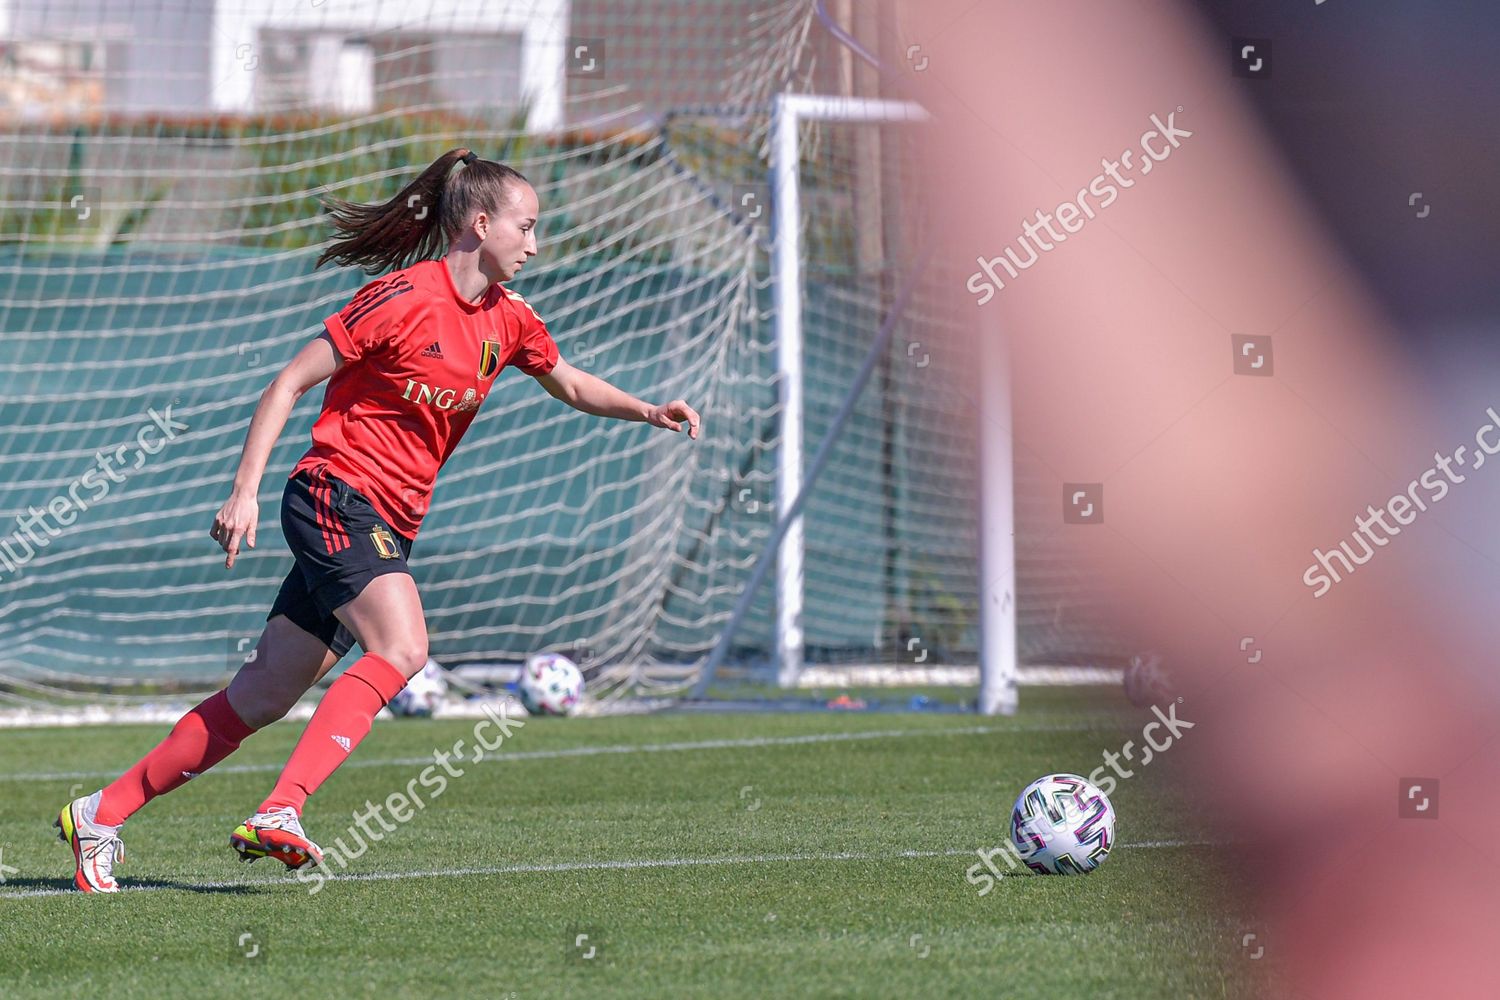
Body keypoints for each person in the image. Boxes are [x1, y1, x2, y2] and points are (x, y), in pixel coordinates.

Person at [54, 147, 701, 893]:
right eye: (526, 226)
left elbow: (571, 382)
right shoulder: (400, 298)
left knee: (262, 696)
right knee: (402, 645)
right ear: (481, 223)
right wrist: (244, 492)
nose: (535, 244)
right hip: (333, 494)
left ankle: (100, 813)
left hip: (383, 524)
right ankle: (281, 811)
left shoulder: (511, 320)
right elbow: (288, 382)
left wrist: (650, 409)